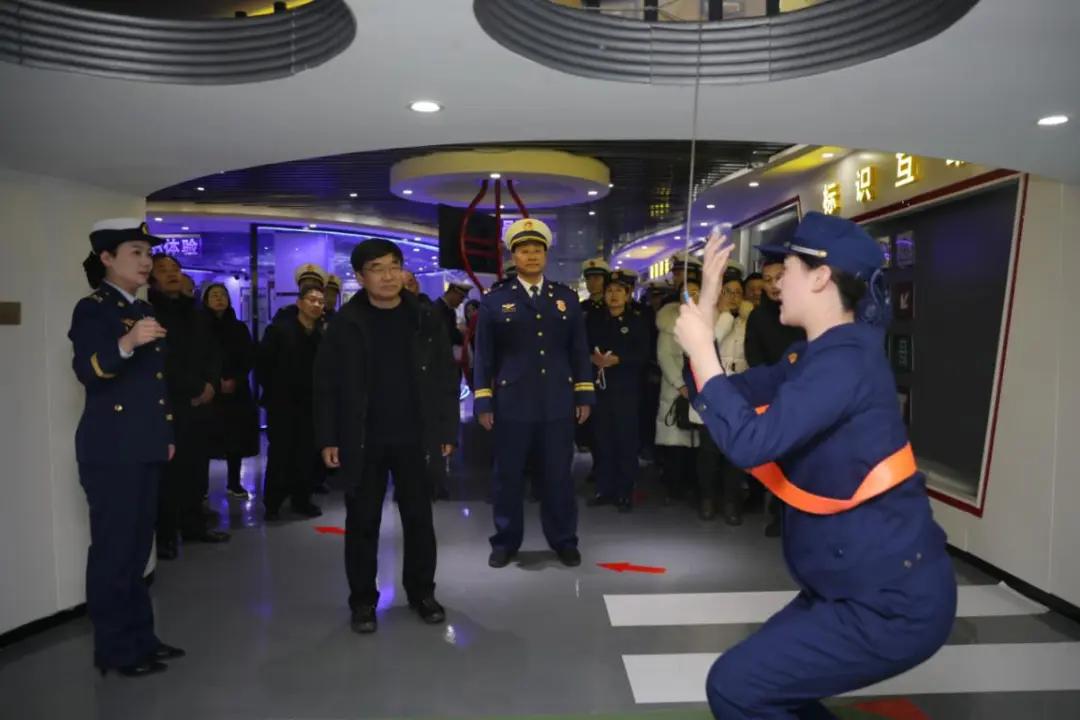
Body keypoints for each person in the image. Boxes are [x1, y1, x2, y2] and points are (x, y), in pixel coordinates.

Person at [674, 215, 956, 719]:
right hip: (845, 587)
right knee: (763, 690)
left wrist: (700, 347)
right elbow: (721, 396)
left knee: (737, 687)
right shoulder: (812, 356)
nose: (776, 282)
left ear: (822, 277)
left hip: (888, 600)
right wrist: (707, 314)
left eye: (787, 269)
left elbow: (751, 441)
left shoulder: (845, 361)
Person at [314, 239, 458, 634]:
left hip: (416, 436)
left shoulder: (425, 317)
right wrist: (328, 437)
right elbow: (325, 386)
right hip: (362, 436)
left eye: (394, 266)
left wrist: (446, 429)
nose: (389, 275)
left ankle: (422, 593)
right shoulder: (345, 323)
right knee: (362, 522)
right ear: (360, 277)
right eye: (377, 268)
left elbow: (446, 377)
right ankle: (363, 600)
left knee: (419, 519)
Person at [70, 219, 185, 677]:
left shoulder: (141, 307)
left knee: (137, 550)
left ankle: (142, 638)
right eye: (135, 252)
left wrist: (165, 435)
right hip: (111, 449)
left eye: (148, 253)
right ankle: (115, 650)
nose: (146, 261)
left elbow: (153, 386)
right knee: (114, 553)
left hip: (143, 445)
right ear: (106, 258)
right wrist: (126, 343)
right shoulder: (93, 309)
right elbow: (88, 371)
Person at [473, 218, 594, 569]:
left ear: (546, 255)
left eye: (537, 250)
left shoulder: (566, 299)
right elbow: (484, 356)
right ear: (514, 256)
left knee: (558, 476)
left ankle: (564, 540)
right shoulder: (496, 300)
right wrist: (483, 400)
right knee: (507, 476)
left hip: (557, 401)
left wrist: (584, 394)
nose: (531, 256)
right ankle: (505, 541)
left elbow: (578, 350)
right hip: (512, 403)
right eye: (524, 250)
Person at [150, 254, 228, 558]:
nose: (171, 274)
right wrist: (194, 388)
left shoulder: (196, 312)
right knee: (170, 473)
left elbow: (213, 351)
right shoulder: (151, 312)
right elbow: (164, 359)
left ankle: (195, 525)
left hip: (202, 401)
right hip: (172, 402)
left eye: (175, 269)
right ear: (152, 278)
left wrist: (210, 384)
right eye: (163, 270)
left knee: (197, 467)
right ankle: (166, 535)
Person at [745, 252, 806, 536]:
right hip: (774, 396)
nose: (772, 285)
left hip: (807, 392)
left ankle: (802, 516)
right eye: (767, 280)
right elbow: (754, 357)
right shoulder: (758, 316)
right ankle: (780, 515)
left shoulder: (804, 309)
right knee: (780, 460)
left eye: (778, 278)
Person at [257, 273, 327, 521]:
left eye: (321, 302)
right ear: (300, 303)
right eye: (312, 300)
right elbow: (263, 364)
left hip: (311, 405)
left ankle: (301, 499)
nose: (316, 305)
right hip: (283, 404)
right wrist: (274, 392)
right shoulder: (279, 330)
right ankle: (273, 503)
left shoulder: (321, 335)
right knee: (280, 454)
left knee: (306, 454)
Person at [693, 267, 753, 523]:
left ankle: (731, 503)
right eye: (728, 292)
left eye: (738, 293)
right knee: (709, 451)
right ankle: (707, 499)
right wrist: (726, 316)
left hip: (741, 392)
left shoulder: (748, 320)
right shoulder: (710, 318)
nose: (734, 297)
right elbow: (711, 342)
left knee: (735, 452)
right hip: (714, 390)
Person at [586, 270, 648, 511]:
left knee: (625, 441)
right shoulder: (595, 320)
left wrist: (619, 360)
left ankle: (625, 491)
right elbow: (582, 347)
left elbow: (644, 354)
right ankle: (604, 489)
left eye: (619, 291)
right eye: (610, 291)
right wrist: (593, 358)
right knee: (602, 440)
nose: (613, 295)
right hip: (600, 389)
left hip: (626, 390)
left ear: (628, 295)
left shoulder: (636, 321)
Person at [201, 283, 259, 499]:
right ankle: (201, 488)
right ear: (206, 300)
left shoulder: (239, 328)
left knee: (235, 439)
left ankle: (234, 482)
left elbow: (248, 356)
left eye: (223, 295)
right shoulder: (199, 327)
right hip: (208, 390)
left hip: (236, 390)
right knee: (206, 440)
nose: (219, 298)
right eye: (214, 295)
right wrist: (215, 381)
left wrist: (235, 378)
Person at [655, 267, 701, 504]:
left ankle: (694, 487)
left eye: (695, 292)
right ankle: (674, 488)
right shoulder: (668, 322)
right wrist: (681, 385)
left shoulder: (709, 319)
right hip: (675, 388)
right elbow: (664, 356)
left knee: (697, 442)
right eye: (686, 293)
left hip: (701, 387)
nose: (690, 297)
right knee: (676, 441)